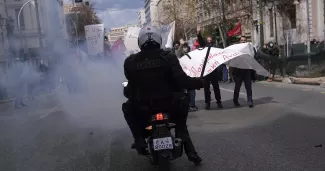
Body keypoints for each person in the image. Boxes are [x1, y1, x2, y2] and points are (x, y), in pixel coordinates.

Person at [122, 25, 204, 164]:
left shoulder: (131, 62)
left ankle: (139, 139)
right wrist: (199, 82)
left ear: (140, 41)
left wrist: (128, 93)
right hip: (170, 104)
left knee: (127, 107)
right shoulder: (169, 57)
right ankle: (189, 149)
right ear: (158, 39)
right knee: (182, 116)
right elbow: (183, 80)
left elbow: (130, 88)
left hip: (144, 107)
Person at [196, 24, 223, 109]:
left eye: (210, 40)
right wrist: (198, 33)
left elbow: (220, 58)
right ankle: (207, 103)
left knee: (216, 87)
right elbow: (201, 41)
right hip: (206, 71)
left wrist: (219, 70)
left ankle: (219, 101)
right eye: (208, 41)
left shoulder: (215, 48)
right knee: (206, 88)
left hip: (214, 70)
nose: (209, 42)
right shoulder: (205, 47)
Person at [175, 39, 198, 111]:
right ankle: (185, 106)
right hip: (183, 75)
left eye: (186, 46)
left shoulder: (191, 54)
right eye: (184, 47)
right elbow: (178, 53)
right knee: (184, 92)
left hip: (191, 74)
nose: (186, 48)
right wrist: (181, 44)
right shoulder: (180, 54)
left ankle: (192, 105)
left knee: (192, 91)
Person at [232, 36, 254, 108]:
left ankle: (250, 100)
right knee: (237, 87)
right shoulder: (236, 49)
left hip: (247, 70)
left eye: (244, 40)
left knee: (248, 87)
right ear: (240, 41)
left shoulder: (249, 48)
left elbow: (253, 57)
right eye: (242, 40)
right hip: (238, 71)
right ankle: (235, 100)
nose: (243, 42)